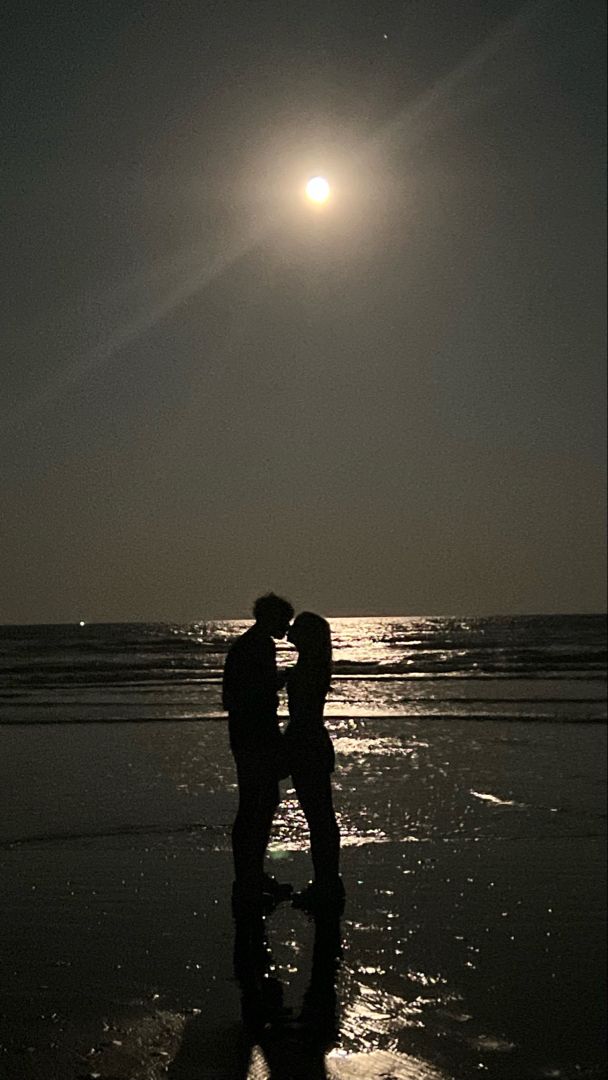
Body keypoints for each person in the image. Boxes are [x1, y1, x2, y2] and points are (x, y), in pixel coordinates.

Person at [222, 592, 294, 909]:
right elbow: (252, 692)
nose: (287, 627)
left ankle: (251, 874)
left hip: (248, 733)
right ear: (271, 618)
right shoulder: (259, 646)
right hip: (256, 734)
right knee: (256, 804)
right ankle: (248, 877)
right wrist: (280, 681)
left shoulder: (248, 645)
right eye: (284, 620)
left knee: (258, 802)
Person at [285, 612, 344, 910]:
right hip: (311, 743)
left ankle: (327, 884)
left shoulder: (308, 668)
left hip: (307, 744)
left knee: (319, 818)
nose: (290, 630)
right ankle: (327, 881)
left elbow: (304, 715)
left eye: (297, 627)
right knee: (321, 818)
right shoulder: (312, 665)